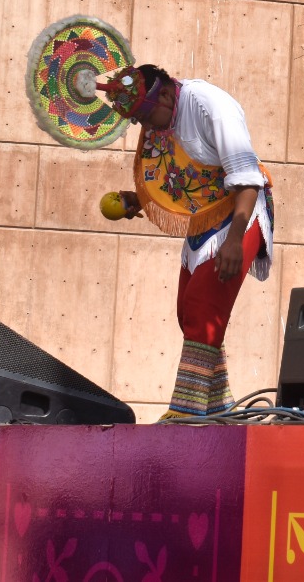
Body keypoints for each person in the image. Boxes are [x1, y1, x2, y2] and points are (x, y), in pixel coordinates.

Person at [100, 64, 274, 419]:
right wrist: (138, 200)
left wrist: (235, 241)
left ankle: (186, 412)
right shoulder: (160, 116)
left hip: (241, 212)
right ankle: (219, 409)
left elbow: (247, 179)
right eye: (138, 121)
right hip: (205, 217)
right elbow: (178, 177)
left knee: (202, 307)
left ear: (165, 94)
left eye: (145, 116)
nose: (145, 127)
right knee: (188, 311)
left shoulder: (211, 105)